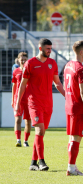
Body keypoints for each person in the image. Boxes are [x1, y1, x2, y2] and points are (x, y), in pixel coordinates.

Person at [15, 38, 65, 171]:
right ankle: (42, 161)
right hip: (34, 103)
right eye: (47, 49)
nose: (50, 51)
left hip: (48, 103)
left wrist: (67, 95)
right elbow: (23, 84)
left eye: (51, 48)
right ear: (40, 48)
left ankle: (33, 162)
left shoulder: (52, 63)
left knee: (41, 134)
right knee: (39, 130)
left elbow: (57, 83)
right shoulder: (30, 63)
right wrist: (17, 102)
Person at [64, 40, 83, 176]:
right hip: (78, 107)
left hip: (69, 106)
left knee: (71, 138)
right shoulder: (81, 69)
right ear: (81, 52)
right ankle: (71, 168)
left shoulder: (68, 65)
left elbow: (65, 87)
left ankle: (73, 166)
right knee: (76, 139)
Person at [11, 52, 31, 147]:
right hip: (18, 99)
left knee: (28, 121)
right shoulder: (16, 71)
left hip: (29, 100)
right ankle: (18, 140)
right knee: (18, 120)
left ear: (27, 60)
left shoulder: (31, 71)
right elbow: (14, 86)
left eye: (25, 59)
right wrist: (12, 99)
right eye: (21, 59)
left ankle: (25, 141)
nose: (23, 61)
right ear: (18, 60)